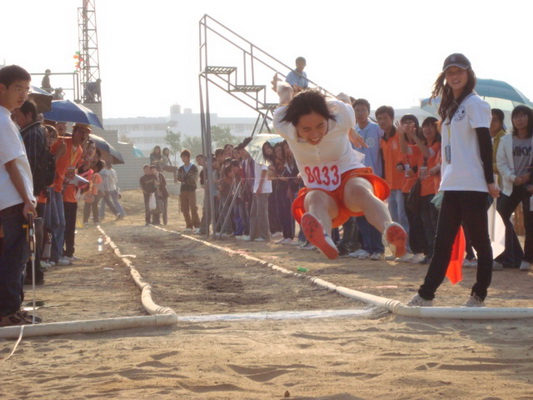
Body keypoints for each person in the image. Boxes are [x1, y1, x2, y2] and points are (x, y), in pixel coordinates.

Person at [272, 82, 407, 260]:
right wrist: (278, 84)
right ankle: (325, 238)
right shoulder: (283, 123)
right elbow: (284, 90)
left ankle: (389, 229)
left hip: (348, 174)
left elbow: (343, 96)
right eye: (306, 129)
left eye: (320, 126)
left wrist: (349, 129)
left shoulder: (340, 114)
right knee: (314, 198)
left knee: (360, 190)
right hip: (320, 188)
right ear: (294, 125)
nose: (315, 134)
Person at [408, 53, 499, 307]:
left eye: (459, 71)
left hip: (473, 184)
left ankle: (479, 295)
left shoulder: (476, 104)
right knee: (442, 243)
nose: (455, 76)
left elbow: (485, 142)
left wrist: (489, 181)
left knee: (480, 242)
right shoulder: (449, 108)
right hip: (451, 184)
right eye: (450, 72)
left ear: (468, 73)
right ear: (445, 77)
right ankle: (426, 294)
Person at [0, 65, 38, 326]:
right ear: (2, 88)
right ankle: (8, 311)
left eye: (26, 89)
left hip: (10, 199)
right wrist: (27, 200)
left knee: (11, 256)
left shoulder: (7, 120)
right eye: (17, 88)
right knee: (15, 257)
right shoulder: (3, 121)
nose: (23, 94)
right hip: (12, 200)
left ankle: (10, 308)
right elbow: (12, 164)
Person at [12, 100, 48, 284]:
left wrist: (26, 192)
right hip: (32, 191)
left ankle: (34, 272)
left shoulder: (32, 134)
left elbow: (31, 165)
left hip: (30, 191)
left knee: (30, 233)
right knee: (31, 232)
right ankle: (34, 272)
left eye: (18, 116)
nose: (16, 119)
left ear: (29, 115)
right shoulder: (35, 131)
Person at [495, 105, 533, 271]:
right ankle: (500, 257)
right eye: (516, 116)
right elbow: (501, 163)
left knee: (529, 223)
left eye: (523, 115)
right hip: (511, 185)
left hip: (530, 187)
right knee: (499, 217)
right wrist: (513, 177)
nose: (519, 119)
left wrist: (528, 178)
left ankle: (528, 258)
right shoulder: (506, 140)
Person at [350, 98, 385, 260]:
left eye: (363, 110)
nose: (360, 113)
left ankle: (378, 248)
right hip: (357, 178)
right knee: (360, 214)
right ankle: (366, 247)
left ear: (368, 112)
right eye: (357, 110)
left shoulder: (377, 129)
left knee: (374, 213)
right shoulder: (352, 132)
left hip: (374, 178)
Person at [377, 105, 411, 261]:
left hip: (402, 184)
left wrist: (402, 136)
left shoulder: (399, 135)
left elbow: (405, 153)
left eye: (385, 118)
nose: (382, 121)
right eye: (379, 118)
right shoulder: (382, 139)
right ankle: (398, 249)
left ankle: (407, 249)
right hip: (390, 184)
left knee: (403, 218)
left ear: (392, 118)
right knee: (394, 220)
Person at [176, 149, 200, 232]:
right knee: (184, 208)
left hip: (191, 189)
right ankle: (188, 225)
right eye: (182, 157)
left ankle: (197, 225)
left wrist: (185, 178)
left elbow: (194, 178)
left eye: (184, 157)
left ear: (188, 157)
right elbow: (179, 178)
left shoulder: (194, 167)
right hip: (183, 189)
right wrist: (186, 178)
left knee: (193, 207)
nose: (183, 159)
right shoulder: (181, 168)